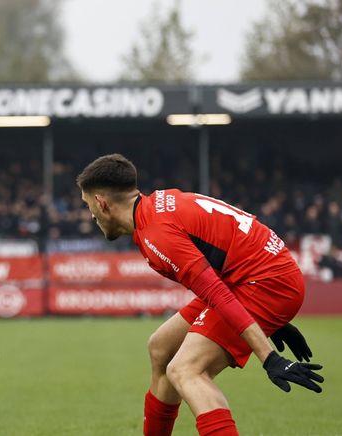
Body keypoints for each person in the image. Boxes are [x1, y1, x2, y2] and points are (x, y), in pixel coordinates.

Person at [76, 154, 323, 436]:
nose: (91, 215)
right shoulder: (156, 206)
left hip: (264, 282)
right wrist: (271, 321)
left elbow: (217, 293)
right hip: (254, 276)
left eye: (88, 206)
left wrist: (268, 356)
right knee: (161, 348)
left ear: (102, 202)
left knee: (185, 370)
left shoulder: (158, 234)